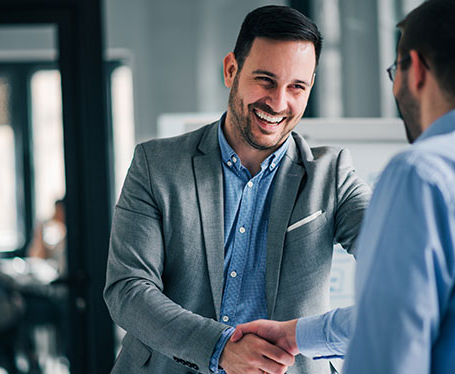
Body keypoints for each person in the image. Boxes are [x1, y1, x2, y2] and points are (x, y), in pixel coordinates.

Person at [231, 0, 455, 373]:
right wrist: (297, 334)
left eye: (393, 70)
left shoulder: (422, 174)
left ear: (413, 69)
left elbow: (388, 348)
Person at [103, 5, 371, 374]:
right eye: (265, 80)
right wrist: (219, 349)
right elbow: (128, 290)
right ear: (232, 70)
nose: (278, 103)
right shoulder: (156, 165)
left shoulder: (332, 174)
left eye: (297, 87)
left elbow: (403, 265)